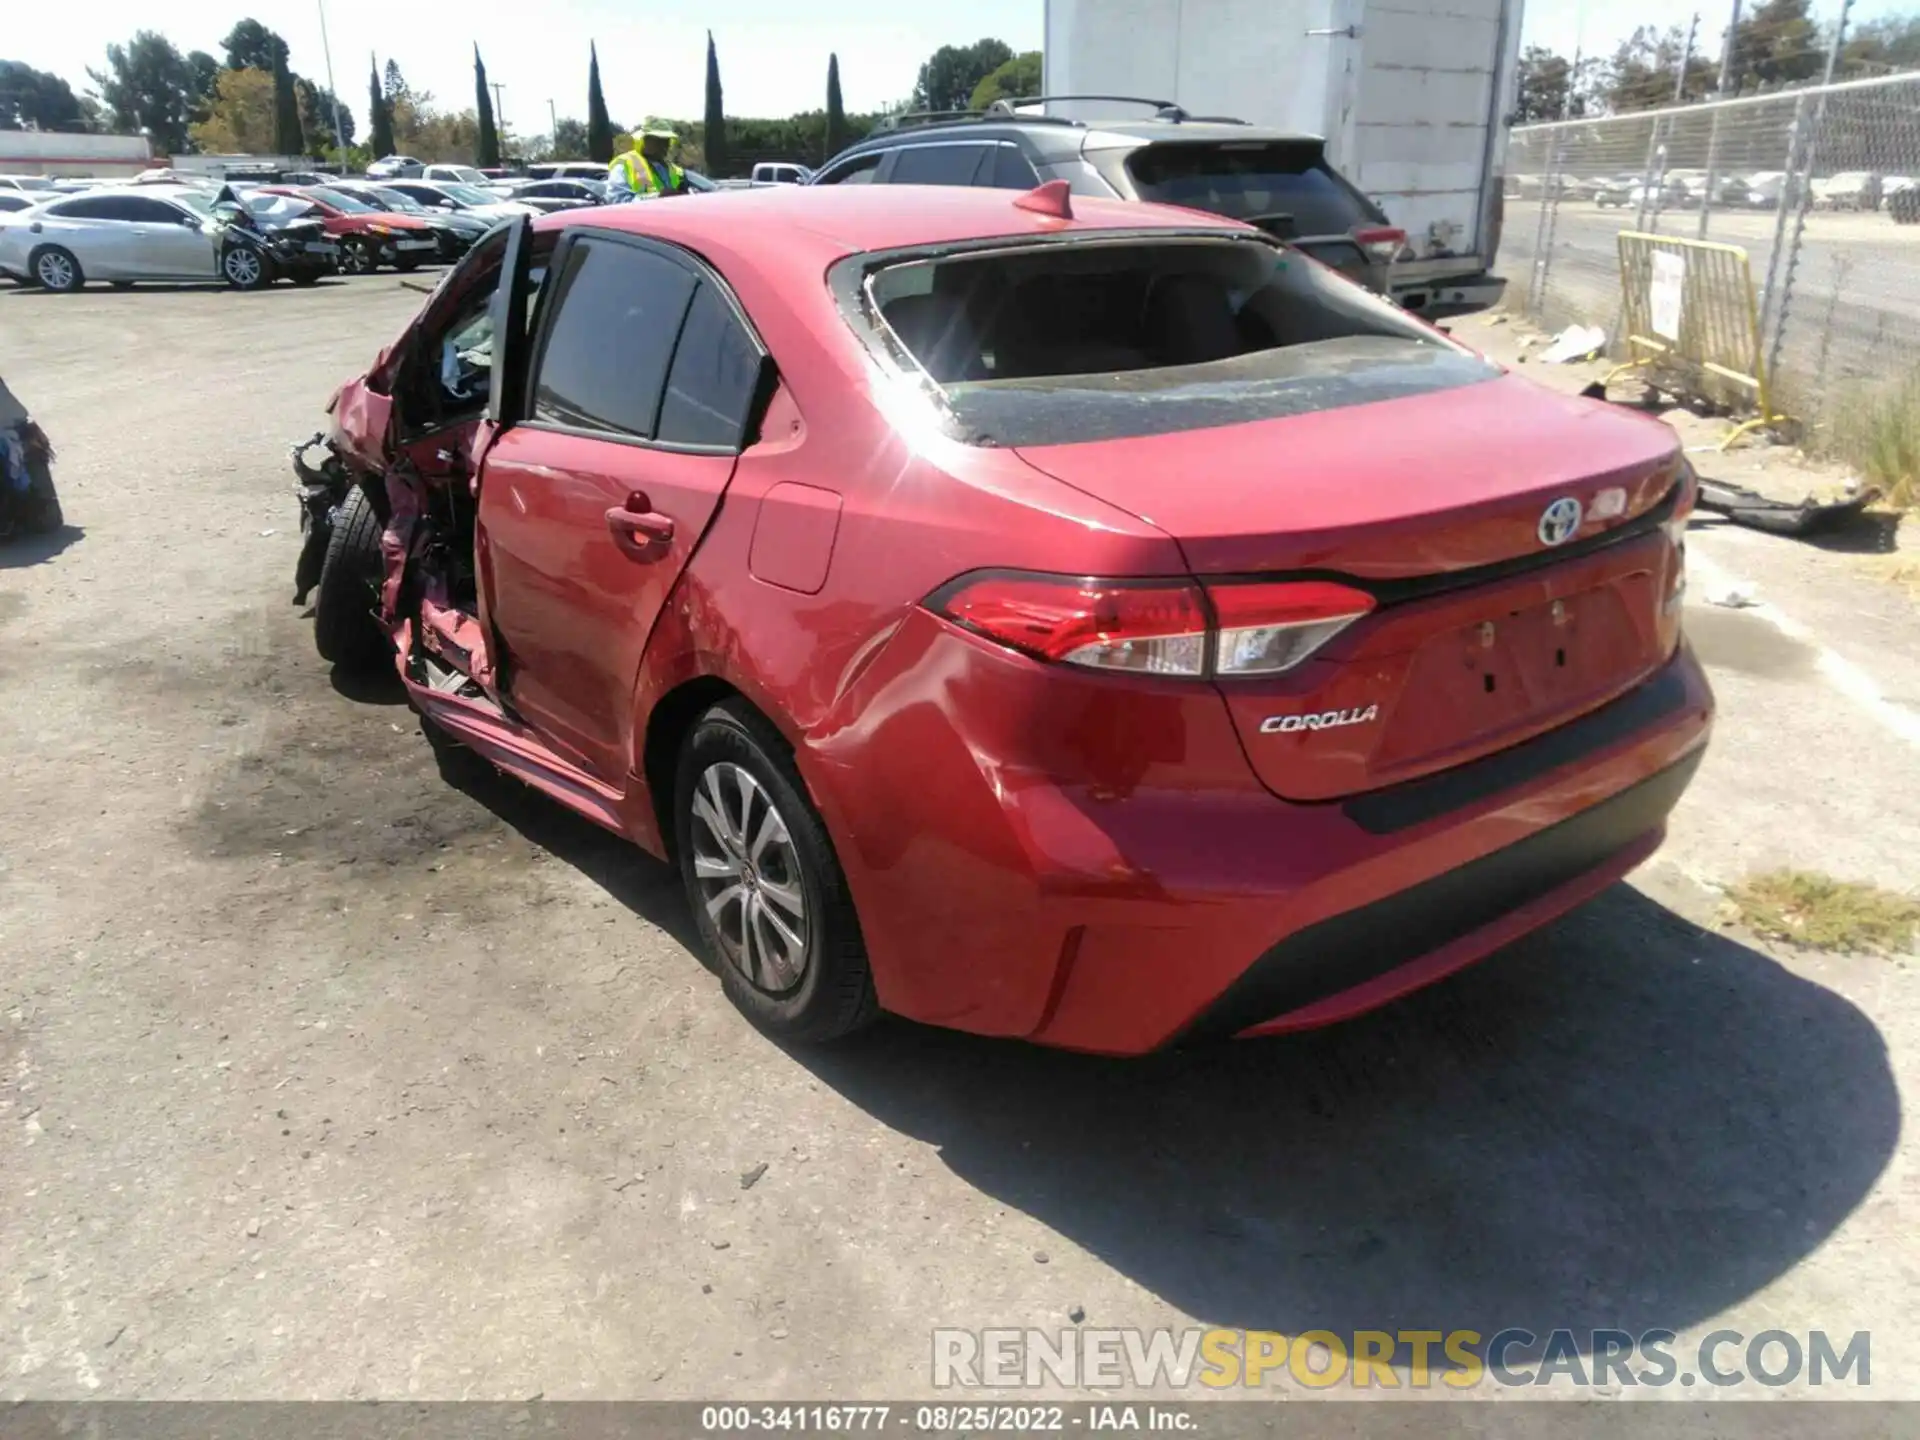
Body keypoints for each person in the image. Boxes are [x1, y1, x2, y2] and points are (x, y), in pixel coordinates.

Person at [607, 122, 689, 200]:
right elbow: (617, 200)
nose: (663, 145)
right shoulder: (625, 165)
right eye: (657, 140)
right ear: (644, 140)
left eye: (666, 140)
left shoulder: (675, 171)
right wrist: (657, 197)